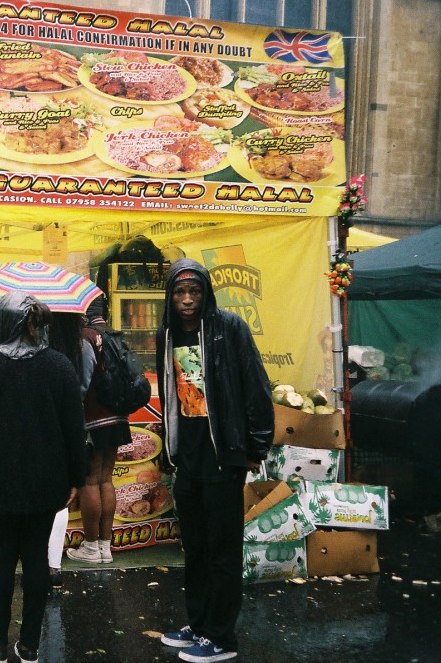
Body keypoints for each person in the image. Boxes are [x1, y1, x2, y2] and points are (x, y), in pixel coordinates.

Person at [0, 291, 87, 663]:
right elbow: (73, 430)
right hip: (46, 481)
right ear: (32, 324)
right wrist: (77, 476)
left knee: (2, 560)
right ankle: (29, 646)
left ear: (2, 323)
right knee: (36, 560)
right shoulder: (59, 366)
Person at [155, 259, 274, 662]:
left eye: (195, 292)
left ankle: (222, 638)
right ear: (170, 296)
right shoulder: (167, 334)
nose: (187, 300)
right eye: (180, 292)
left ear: (206, 294)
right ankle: (200, 623)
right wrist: (170, 449)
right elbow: (171, 395)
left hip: (224, 455)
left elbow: (256, 386)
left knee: (223, 549)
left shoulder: (229, 329)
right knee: (196, 547)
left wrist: (257, 446)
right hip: (187, 457)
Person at [66, 296, 132, 565]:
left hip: (93, 419)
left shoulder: (85, 338)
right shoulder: (114, 335)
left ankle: (91, 546)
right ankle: (105, 546)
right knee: (106, 479)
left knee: (89, 481)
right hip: (117, 417)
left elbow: (82, 384)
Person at [45, 311, 95, 587]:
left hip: (42, 426)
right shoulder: (82, 346)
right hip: (71, 424)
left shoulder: (40, 345)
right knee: (60, 495)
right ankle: (54, 566)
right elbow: (83, 387)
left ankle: (37, 559)